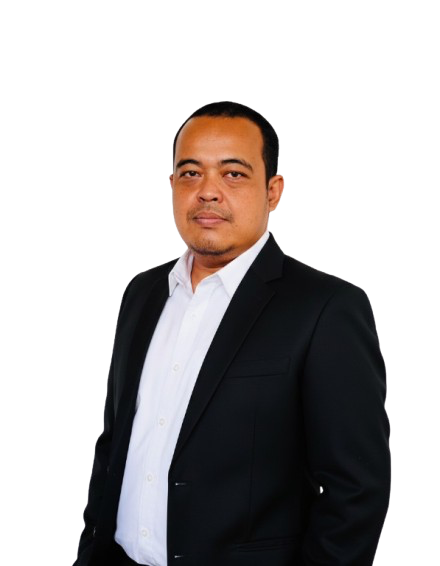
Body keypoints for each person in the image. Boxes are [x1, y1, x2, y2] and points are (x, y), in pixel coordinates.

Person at [74, 100, 391, 566]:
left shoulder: (326, 308)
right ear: (172, 185)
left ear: (273, 191)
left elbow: (357, 491)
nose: (208, 192)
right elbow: (114, 442)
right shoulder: (143, 293)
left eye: (234, 174)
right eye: (191, 173)